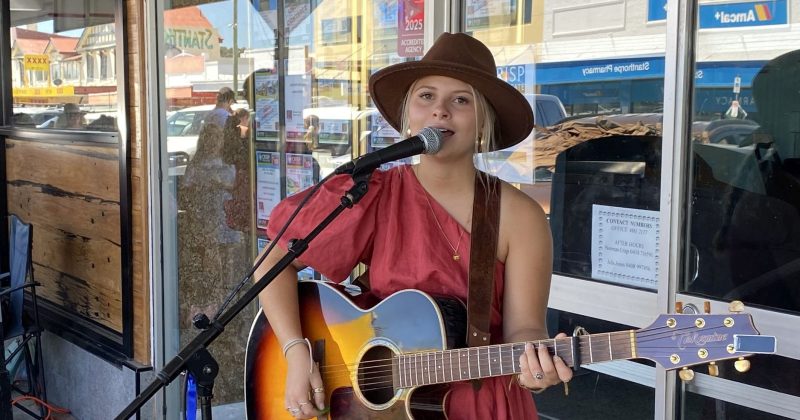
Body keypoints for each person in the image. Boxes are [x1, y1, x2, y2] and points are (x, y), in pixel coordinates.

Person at [255, 32, 572, 419]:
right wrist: (296, 351)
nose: (440, 110)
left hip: (480, 404)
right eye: (426, 96)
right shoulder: (371, 192)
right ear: (409, 115)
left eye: (460, 99)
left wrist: (536, 367)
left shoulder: (519, 215)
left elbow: (524, 330)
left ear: (484, 122)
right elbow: (273, 262)